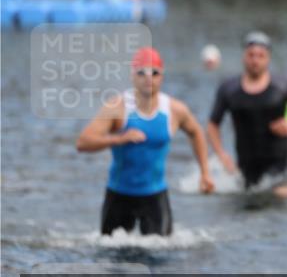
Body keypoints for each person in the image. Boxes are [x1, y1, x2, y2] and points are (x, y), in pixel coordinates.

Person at [76, 47, 214, 235]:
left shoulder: (174, 110)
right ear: (133, 76)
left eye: (154, 73)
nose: (148, 77)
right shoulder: (117, 107)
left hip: (155, 196)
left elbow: (196, 132)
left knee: (161, 255)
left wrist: (205, 172)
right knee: (111, 256)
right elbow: (83, 142)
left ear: (161, 77)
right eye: (142, 72)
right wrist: (119, 138)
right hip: (119, 194)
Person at [206, 32, 287, 198]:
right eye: (251, 55)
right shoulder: (229, 89)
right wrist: (221, 154)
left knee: (281, 198)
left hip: (281, 165)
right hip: (247, 167)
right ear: (244, 57)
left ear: (268, 58)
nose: (255, 60)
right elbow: (212, 125)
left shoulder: (283, 85)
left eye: (261, 55)